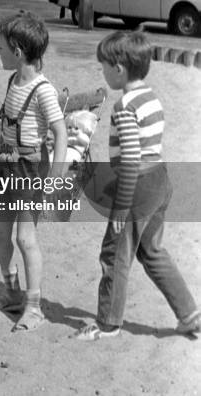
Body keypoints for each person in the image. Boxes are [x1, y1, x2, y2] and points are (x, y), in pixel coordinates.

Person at [76, 30, 200, 340]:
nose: (103, 72)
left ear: (118, 68)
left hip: (137, 187)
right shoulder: (150, 96)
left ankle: (108, 323)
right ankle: (188, 312)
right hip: (159, 180)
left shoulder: (125, 107)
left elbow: (130, 161)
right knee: (152, 250)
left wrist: (120, 210)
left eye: (104, 66)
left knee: (113, 255)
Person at [0, 11, 67, 331]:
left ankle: (34, 307)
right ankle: (12, 292)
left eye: (0, 47)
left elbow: (60, 132)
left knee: (26, 239)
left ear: (16, 52)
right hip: (7, 165)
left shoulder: (43, 90)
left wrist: (55, 177)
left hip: (31, 169)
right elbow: (5, 120)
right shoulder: (13, 80)